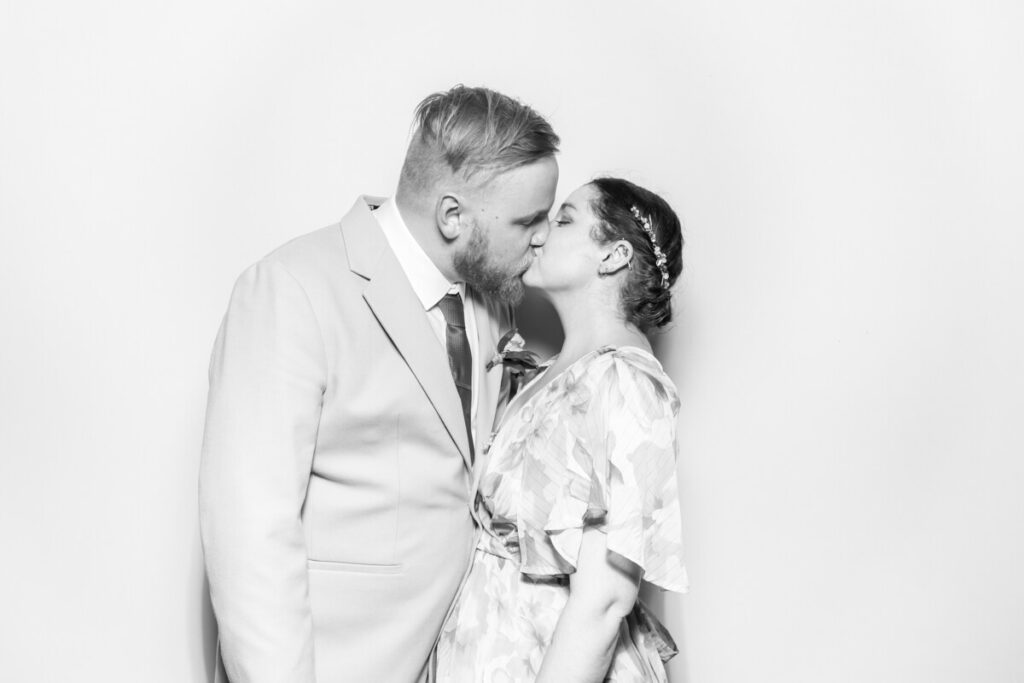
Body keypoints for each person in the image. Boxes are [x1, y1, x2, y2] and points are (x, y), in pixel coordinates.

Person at [198, 85, 559, 683]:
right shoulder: (291, 289)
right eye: (528, 220)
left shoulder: (492, 302)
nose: (543, 236)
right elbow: (248, 533)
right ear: (452, 216)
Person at [435, 177, 688, 682]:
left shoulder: (627, 383)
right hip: (490, 650)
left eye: (565, 218)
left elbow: (607, 596)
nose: (541, 230)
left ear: (614, 255)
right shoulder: (548, 372)